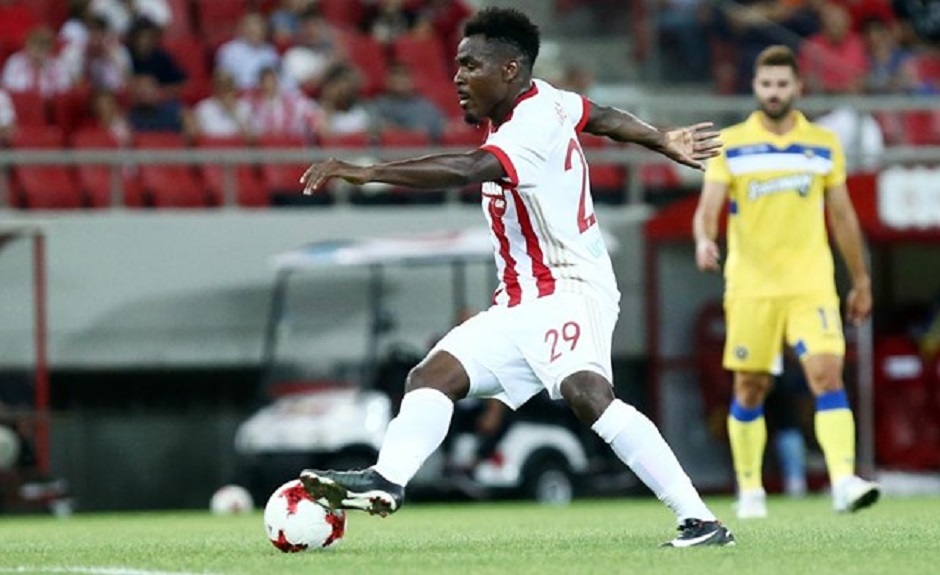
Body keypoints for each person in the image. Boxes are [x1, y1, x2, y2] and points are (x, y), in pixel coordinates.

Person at [297, 7, 734, 548]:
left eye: (470, 65)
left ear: (509, 70)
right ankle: (387, 480)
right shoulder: (548, 100)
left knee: (587, 394)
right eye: (458, 65)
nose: (458, 77)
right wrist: (659, 138)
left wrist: (368, 171)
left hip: (570, 288)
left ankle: (700, 521)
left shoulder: (530, 125)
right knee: (431, 377)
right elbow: (598, 115)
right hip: (520, 301)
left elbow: (467, 169)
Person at [693, 44, 880, 520]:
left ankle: (843, 482)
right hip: (751, 285)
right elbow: (708, 207)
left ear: (798, 87)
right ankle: (750, 489)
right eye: (766, 84)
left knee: (827, 373)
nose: (773, 92)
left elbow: (843, 216)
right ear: (755, 87)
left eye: (781, 84)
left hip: (810, 282)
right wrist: (704, 239)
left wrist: (860, 280)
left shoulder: (823, 144)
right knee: (750, 386)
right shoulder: (732, 143)